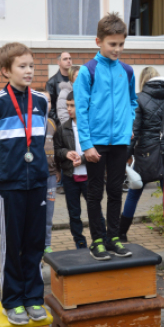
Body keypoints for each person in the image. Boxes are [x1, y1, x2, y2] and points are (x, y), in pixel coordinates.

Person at [0, 42, 49, 325]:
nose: (29, 71)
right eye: (22, 66)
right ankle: (12, 301)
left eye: (31, 65)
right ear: (5, 71)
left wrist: (37, 168)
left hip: (38, 183)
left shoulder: (41, 101)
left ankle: (33, 298)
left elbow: (41, 139)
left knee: (35, 242)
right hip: (10, 185)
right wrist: (4, 171)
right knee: (12, 243)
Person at [74, 12, 138, 261]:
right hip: (96, 143)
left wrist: (128, 123)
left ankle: (113, 238)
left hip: (120, 142)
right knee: (94, 193)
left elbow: (132, 102)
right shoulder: (87, 71)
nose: (117, 49)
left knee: (115, 191)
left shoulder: (127, 71)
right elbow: (81, 109)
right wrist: (87, 144)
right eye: (113, 44)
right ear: (98, 41)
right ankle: (97, 240)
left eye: (121, 44)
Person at [118, 66, 164, 242]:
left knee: (134, 194)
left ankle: (121, 234)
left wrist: (123, 160)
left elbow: (134, 131)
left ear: (143, 81)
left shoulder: (139, 99)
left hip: (145, 154)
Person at [54, 91, 106, 248]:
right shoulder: (63, 129)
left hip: (90, 176)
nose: (69, 109)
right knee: (74, 213)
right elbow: (57, 150)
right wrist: (66, 153)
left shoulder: (94, 126)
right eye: (67, 106)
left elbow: (101, 150)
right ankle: (80, 242)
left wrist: (82, 159)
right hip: (70, 177)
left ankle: (101, 239)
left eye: (73, 106)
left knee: (95, 210)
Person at [35, 88, 60, 254]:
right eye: (43, 100)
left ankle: (47, 244)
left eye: (49, 100)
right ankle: (33, 245)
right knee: (34, 213)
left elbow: (57, 148)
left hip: (51, 176)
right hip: (36, 176)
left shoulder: (52, 123)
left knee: (48, 214)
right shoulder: (31, 123)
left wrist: (58, 169)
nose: (47, 103)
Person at [46, 52, 72, 124]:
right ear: (58, 62)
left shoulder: (76, 79)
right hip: (61, 124)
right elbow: (50, 108)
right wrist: (60, 122)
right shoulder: (52, 82)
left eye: (70, 58)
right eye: (65, 59)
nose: (68, 61)